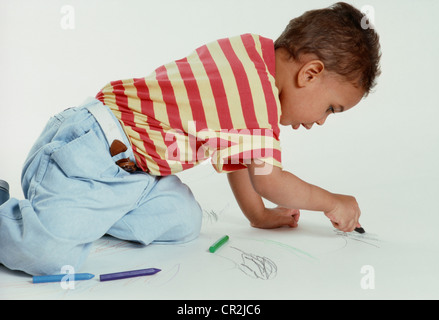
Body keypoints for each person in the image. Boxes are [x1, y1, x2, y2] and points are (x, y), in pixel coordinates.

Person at [0, 2, 381, 276]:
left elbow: (240, 157)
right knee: (49, 255)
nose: (321, 122)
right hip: (91, 148)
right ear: (310, 73)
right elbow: (272, 180)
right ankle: (32, 214)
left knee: (183, 221)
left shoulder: (251, 54)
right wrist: (333, 202)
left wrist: (258, 215)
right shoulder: (256, 100)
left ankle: (80, 212)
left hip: (137, 173)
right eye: (331, 108)